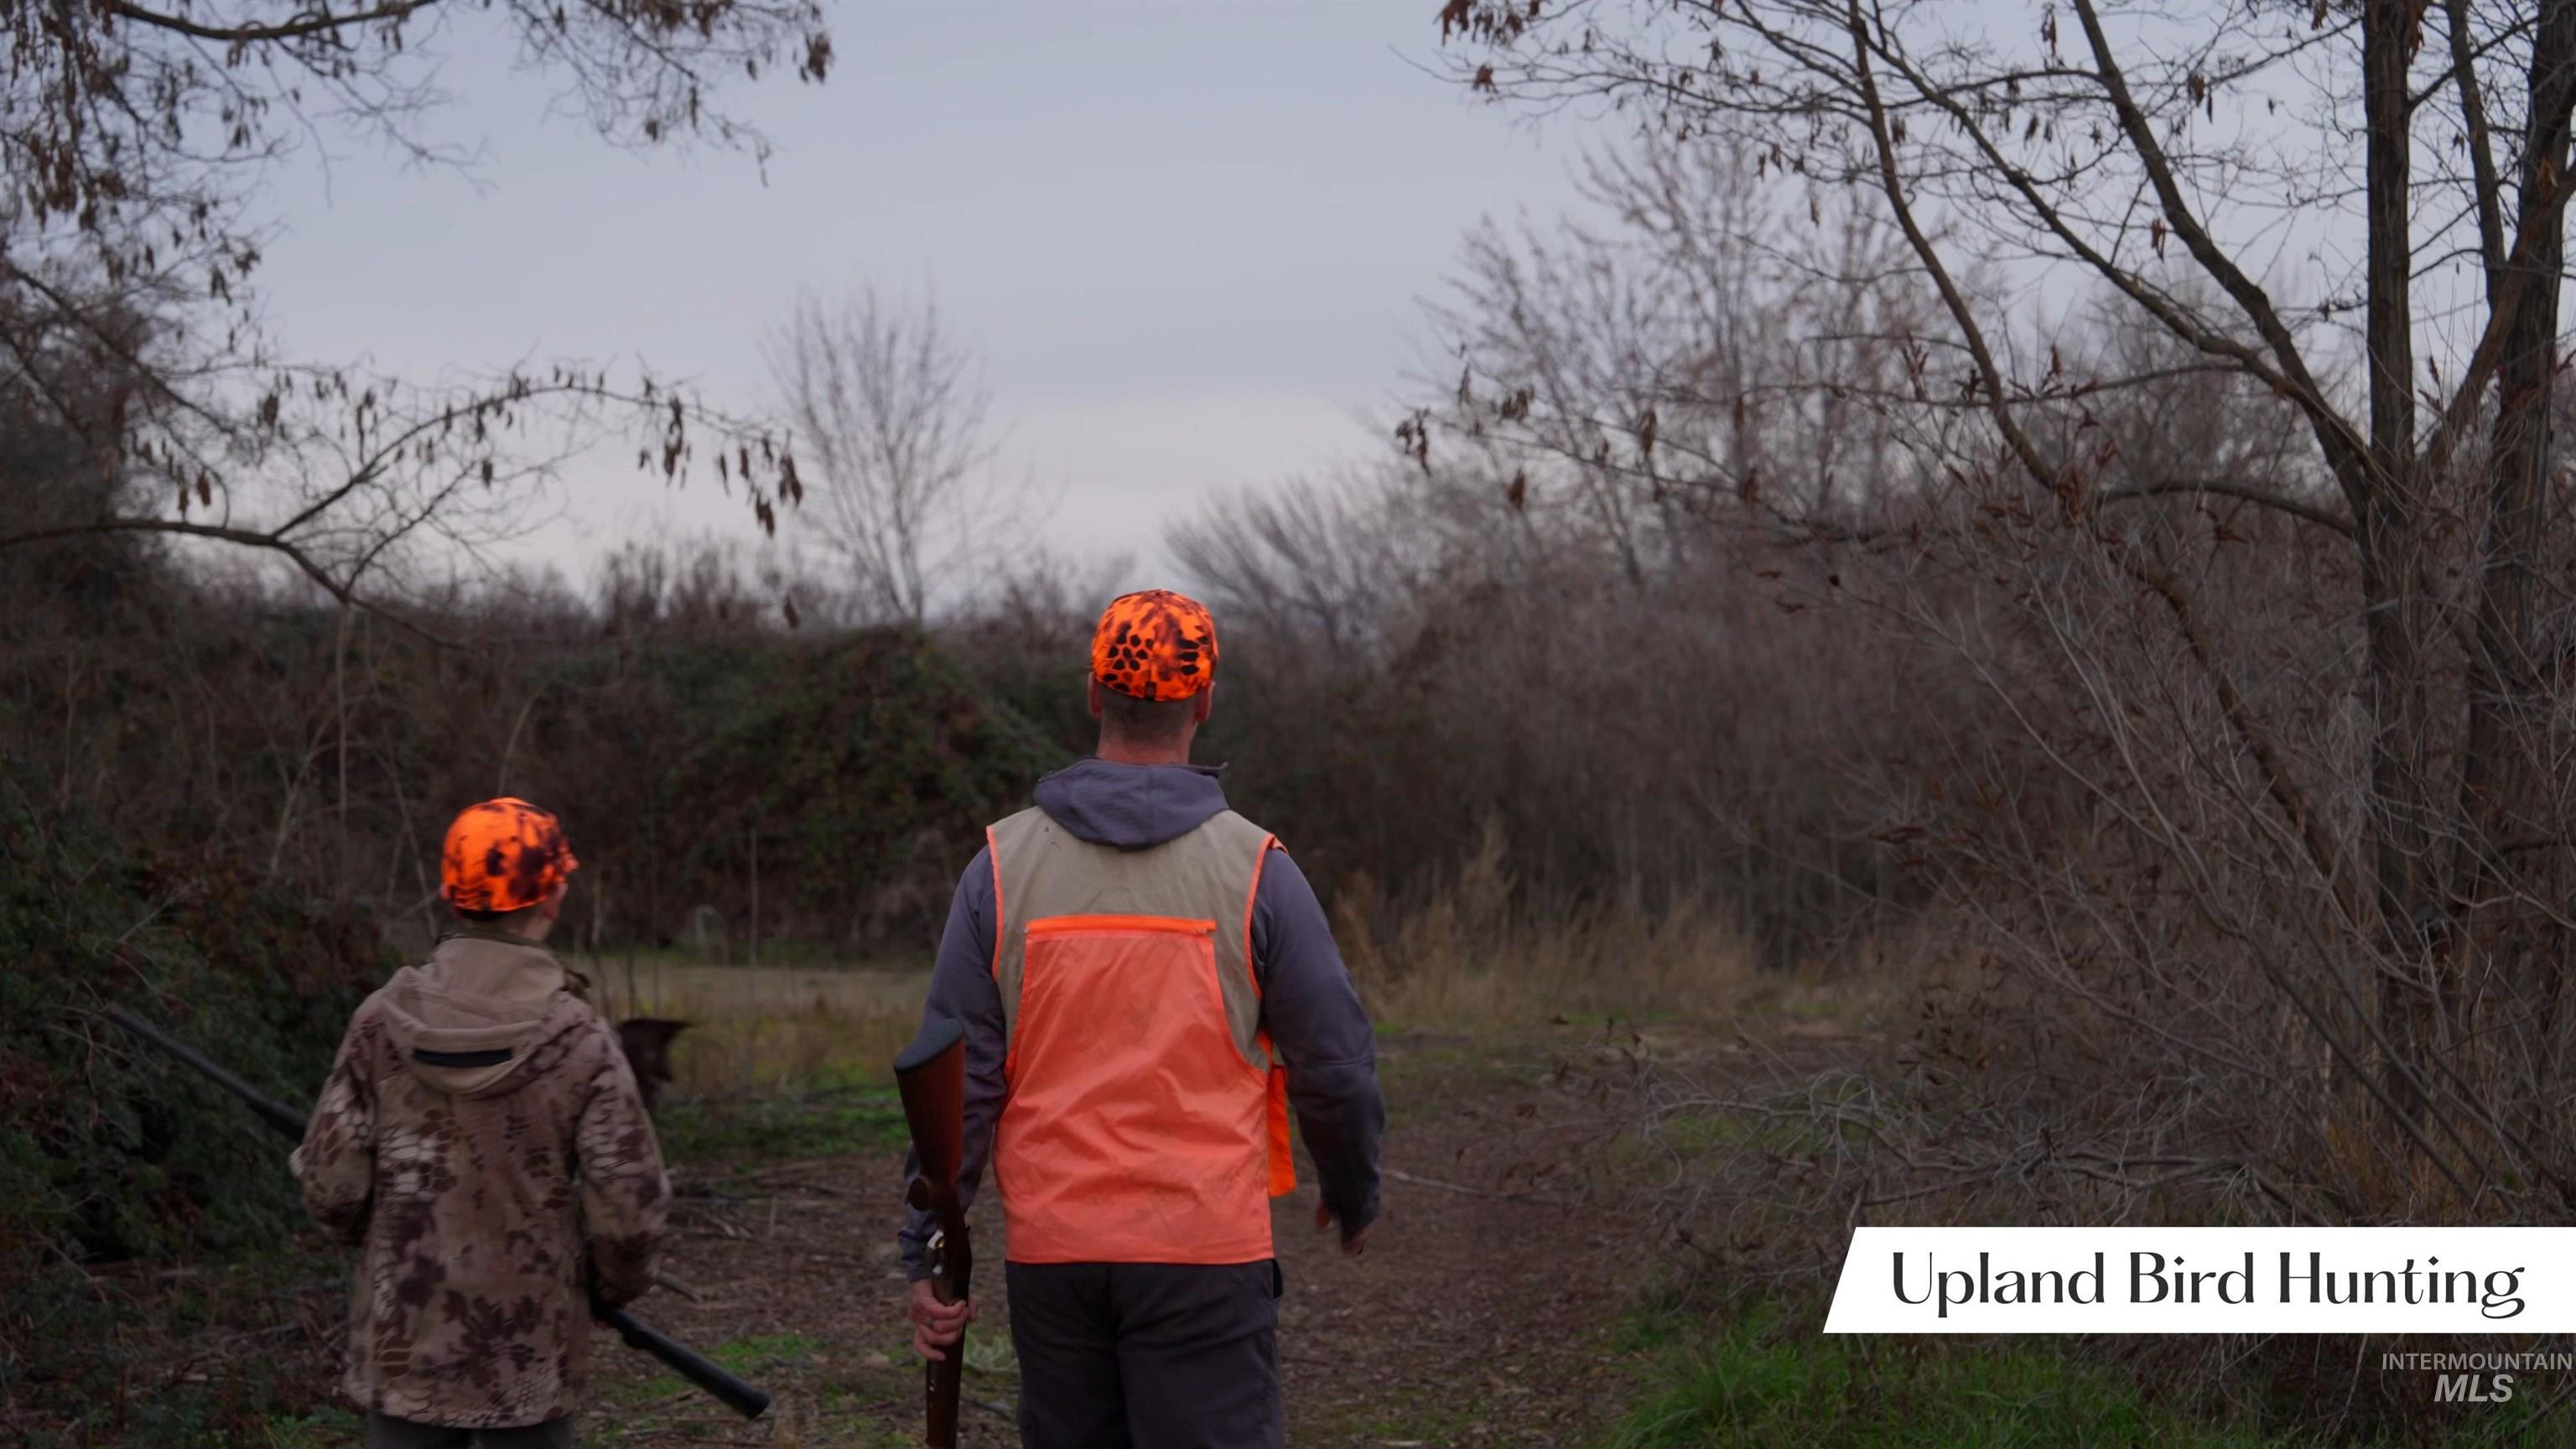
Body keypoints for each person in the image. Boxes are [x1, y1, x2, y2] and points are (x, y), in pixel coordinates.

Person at [900, 589, 1385, 1449]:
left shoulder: (999, 871)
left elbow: (957, 1078)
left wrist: (927, 1249)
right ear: (1204, 702)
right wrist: (1352, 1192)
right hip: (1205, 1254)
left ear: (1093, 695)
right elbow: (1335, 1066)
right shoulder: (1259, 871)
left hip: (1054, 1260)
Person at [293, 797, 670, 1448]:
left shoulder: (379, 1025)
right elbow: (630, 1209)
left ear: (449, 895)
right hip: (528, 1359)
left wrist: (390, 1252)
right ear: (552, 897)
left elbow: (332, 1186)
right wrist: (607, 1288)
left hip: (404, 1345)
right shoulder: (580, 1040)